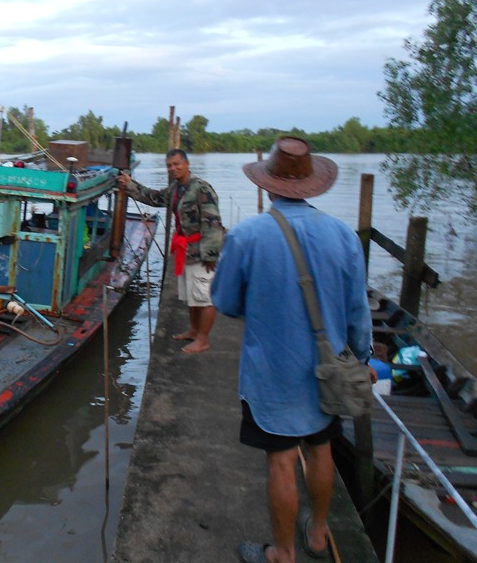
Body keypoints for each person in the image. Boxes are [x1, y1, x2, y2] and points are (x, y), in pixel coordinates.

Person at [211, 137, 374, 563]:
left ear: (267, 184)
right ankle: (318, 536)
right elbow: (358, 312)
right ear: (314, 184)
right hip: (328, 372)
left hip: (272, 376)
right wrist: (363, 358)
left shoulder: (247, 235)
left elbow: (226, 303)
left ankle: (282, 553)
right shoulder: (343, 236)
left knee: (281, 460)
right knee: (320, 448)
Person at [117, 148, 223, 353]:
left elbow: (213, 222)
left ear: (187, 164)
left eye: (176, 164)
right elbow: (155, 198)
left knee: (204, 296)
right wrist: (130, 184)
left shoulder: (201, 188)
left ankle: (203, 339)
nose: (173, 169)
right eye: (169, 166)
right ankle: (193, 330)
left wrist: (211, 254)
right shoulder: (176, 188)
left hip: (200, 249)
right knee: (192, 294)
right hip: (186, 249)